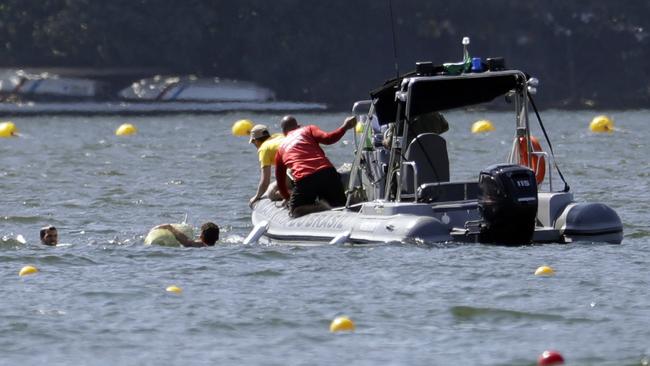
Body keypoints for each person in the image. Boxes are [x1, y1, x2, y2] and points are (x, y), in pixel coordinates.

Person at [275, 115, 357, 217]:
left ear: (283, 133)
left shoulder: (280, 149)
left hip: (305, 179)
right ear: (298, 126)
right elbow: (328, 139)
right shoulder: (308, 129)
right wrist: (344, 127)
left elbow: (280, 182)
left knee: (295, 211)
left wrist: (287, 198)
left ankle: (322, 207)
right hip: (328, 173)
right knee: (341, 208)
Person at [248, 124, 285, 208]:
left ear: (255, 141)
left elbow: (265, 181)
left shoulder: (264, 149)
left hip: (297, 170)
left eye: (253, 143)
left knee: (271, 193)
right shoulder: (278, 136)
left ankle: (297, 195)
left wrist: (256, 197)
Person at [154, 222, 219, 247]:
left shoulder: (200, 245)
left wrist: (170, 228)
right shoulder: (213, 247)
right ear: (217, 238)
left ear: (201, 235)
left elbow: (187, 242)